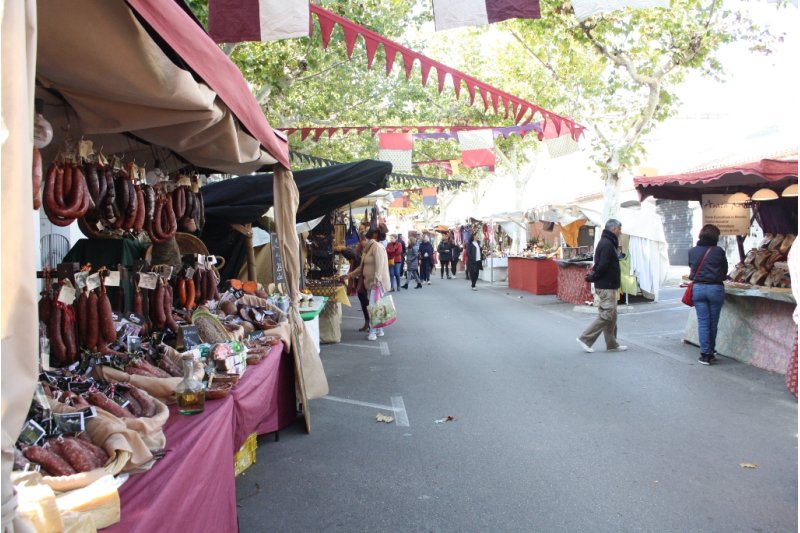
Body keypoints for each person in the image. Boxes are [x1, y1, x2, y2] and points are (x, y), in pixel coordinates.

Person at [576, 219, 628, 353]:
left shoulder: (608, 242)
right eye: (619, 229)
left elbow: (603, 263)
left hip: (608, 284)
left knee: (612, 315)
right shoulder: (606, 243)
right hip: (606, 285)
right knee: (607, 314)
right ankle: (585, 338)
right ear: (614, 229)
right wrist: (594, 277)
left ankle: (612, 344)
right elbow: (603, 264)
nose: (620, 232)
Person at [688, 224, 728, 365]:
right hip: (715, 289)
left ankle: (705, 354)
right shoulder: (719, 251)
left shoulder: (692, 251)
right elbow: (724, 272)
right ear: (715, 236)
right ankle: (710, 351)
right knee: (713, 322)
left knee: (703, 323)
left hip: (698, 288)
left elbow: (691, 268)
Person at [345, 228, 391, 341]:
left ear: (366, 239)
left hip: (376, 283)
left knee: (373, 307)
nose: (360, 243)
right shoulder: (367, 249)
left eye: (361, 240)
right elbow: (362, 267)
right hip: (371, 282)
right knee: (377, 306)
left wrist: (377, 279)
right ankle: (379, 329)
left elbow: (380, 264)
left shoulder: (376, 247)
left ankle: (372, 331)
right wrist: (350, 275)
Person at [337, 240, 369, 332]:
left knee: (365, 303)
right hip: (360, 284)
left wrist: (350, 275)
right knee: (364, 304)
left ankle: (369, 323)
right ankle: (367, 322)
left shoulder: (358, 261)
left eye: (347, 258)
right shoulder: (356, 259)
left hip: (362, 284)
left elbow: (359, 272)